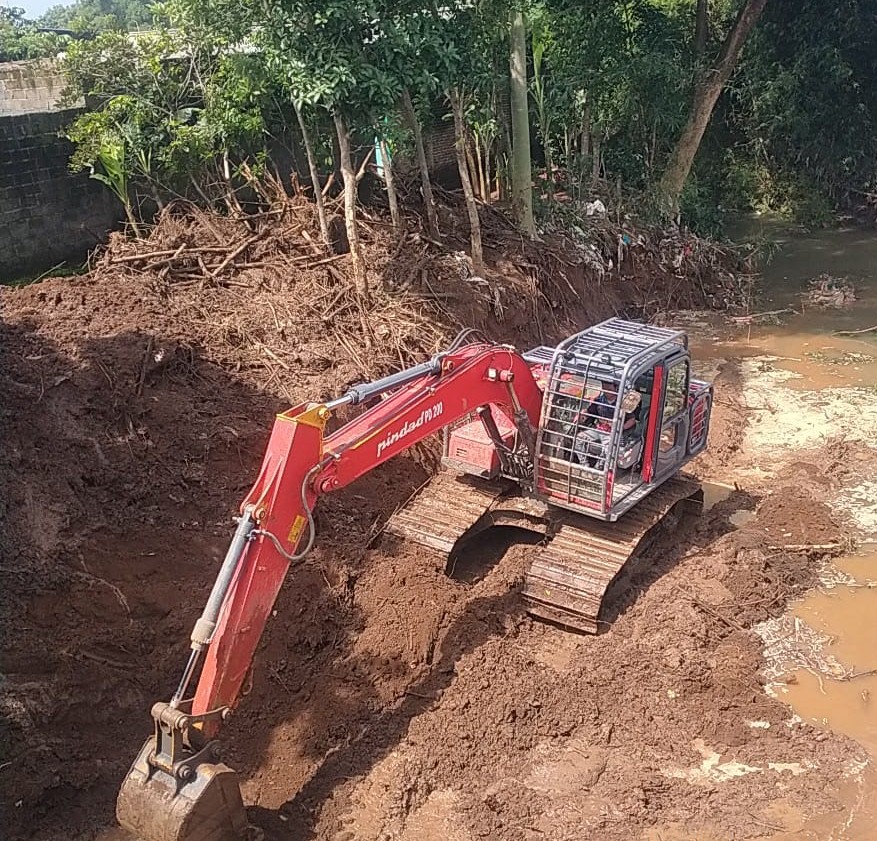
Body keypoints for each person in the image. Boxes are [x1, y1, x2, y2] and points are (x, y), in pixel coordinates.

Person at [573, 380, 640, 469]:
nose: (606, 391)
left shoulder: (623, 404)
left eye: (609, 389)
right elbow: (589, 411)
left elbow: (632, 420)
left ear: (616, 388)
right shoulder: (599, 400)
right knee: (579, 438)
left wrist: (620, 428)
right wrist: (581, 414)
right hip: (598, 430)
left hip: (612, 433)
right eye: (604, 388)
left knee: (608, 447)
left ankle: (599, 468)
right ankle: (584, 464)